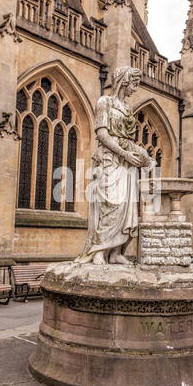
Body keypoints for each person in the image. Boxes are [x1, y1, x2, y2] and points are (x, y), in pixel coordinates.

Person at [76, 67, 155, 265]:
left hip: (126, 165)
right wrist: (125, 154)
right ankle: (99, 251)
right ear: (124, 81)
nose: (135, 89)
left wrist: (142, 155)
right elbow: (102, 134)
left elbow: (127, 140)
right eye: (134, 84)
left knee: (127, 208)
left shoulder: (128, 109)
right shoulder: (104, 102)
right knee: (110, 205)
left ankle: (116, 252)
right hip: (109, 160)